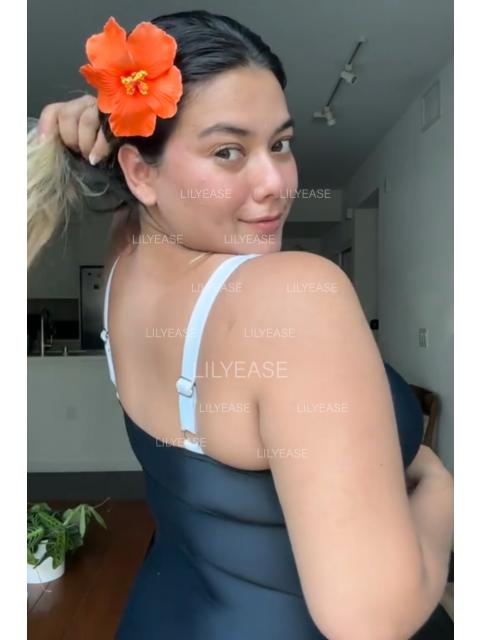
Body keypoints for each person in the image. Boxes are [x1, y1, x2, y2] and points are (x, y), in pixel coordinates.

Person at [28, 10, 453, 639]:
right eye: (228, 151)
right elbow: (372, 620)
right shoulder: (295, 299)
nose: (275, 183)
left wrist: (95, 128)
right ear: (140, 173)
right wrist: (440, 488)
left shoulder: (125, 257)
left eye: (279, 144)